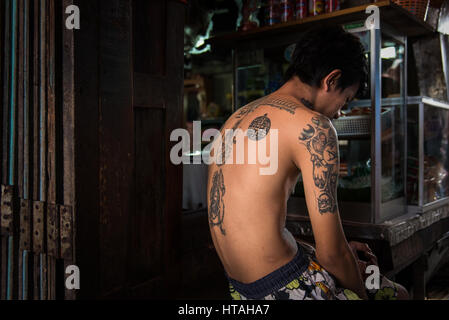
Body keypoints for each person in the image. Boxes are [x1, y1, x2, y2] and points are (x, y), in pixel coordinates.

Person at [207, 25, 408, 300]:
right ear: (331, 80)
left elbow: (253, 229)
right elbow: (333, 254)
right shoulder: (315, 127)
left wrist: (330, 252)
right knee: (398, 294)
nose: (339, 113)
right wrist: (349, 274)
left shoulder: (234, 119)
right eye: (345, 100)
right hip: (285, 287)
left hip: (240, 289)